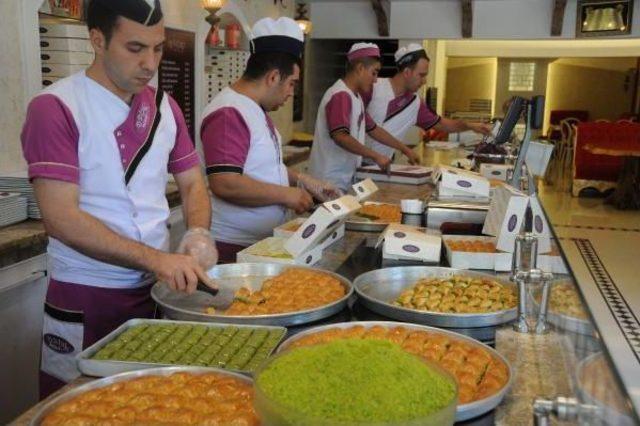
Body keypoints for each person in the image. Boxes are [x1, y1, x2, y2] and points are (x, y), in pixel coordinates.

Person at [21, 0, 218, 397]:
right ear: (97, 39)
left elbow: (193, 184)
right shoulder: (56, 108)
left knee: (151, 405)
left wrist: (198, 232)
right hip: (86, 295)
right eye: (135, 48)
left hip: (157, 294)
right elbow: (61, 218)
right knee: (78, 408)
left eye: (158, 48)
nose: (150, 63)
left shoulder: (165, 108)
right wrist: (158, 259)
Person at [201, 17, 339, 263]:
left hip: (259, 244)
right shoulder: (228, 113)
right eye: (291, 84)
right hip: (232, 248)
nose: (291, 93)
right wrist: (287, 195)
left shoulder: (254, 109)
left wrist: (303, 180)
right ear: (273, 77)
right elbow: (225, 182)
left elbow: (264, 168)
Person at [308, 42, 420, 192]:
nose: (375, 79)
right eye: (374, 72)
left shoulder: (355, 98)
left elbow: (373, 129)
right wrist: (375, 156)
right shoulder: (341, 95)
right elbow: (341, 136)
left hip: (342, 179)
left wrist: (405, 149)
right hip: (328, 181)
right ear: (360, 68)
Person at [364, 43, 492, 161]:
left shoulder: (415, 103)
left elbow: (442, 124)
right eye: (421, 75)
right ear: (407, 72)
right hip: (354, 161)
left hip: (378, 166)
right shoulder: (373, 87)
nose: (424, 81)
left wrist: (470, 125)